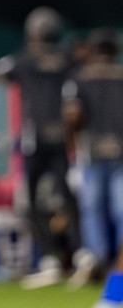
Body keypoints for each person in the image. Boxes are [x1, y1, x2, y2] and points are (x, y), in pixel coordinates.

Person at [0, 7, 78, 289]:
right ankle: (80, 254)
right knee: (68, 198)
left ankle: (53, 259)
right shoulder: (66, 59)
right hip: (63, 139)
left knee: (33, 202)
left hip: (37, 138)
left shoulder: (25, 59)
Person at [67, 29, 123, 287]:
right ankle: (116, 264)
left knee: (93, 210)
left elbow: (73, 116)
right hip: (119, 151)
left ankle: (98, 260)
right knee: (119, 210)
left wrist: (72, 143)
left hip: (92, 152)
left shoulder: (80, 78)